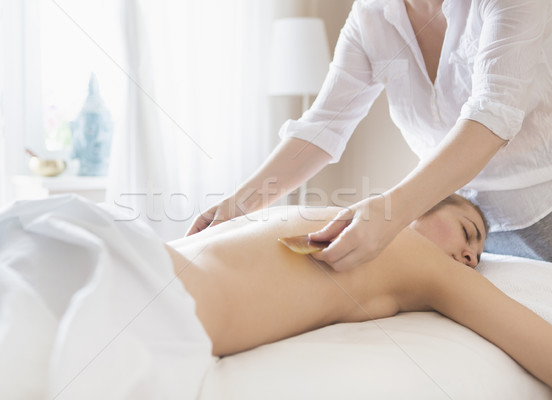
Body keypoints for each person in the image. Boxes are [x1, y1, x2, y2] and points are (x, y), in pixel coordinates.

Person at [186, 0, 552, 270]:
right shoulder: (371, 16)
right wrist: (240, 204)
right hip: (454, 223)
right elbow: (323, 125)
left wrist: (392, 213)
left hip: (541, 210)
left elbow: (493, 116)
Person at [170, 195, 552, 387]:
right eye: (468, 232)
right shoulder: (406, 247)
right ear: (417, 204)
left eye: (478, 255)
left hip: (157, 284)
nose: (471, 255)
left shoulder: (416, 260)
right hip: (165, 295)